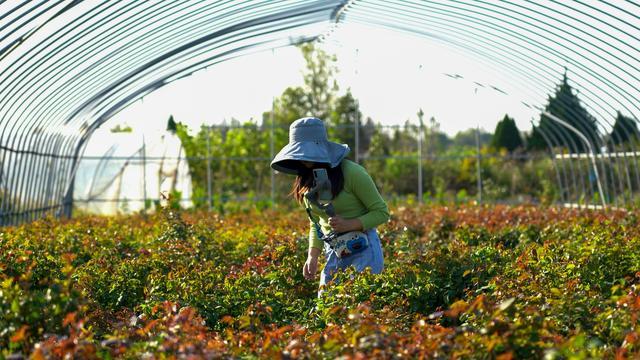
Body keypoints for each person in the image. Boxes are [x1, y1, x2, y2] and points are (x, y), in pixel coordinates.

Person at [270, 117, 390, 288]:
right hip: (333, 251)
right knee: (326, 308)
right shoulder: (306, 179)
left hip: (363, 248)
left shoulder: (353, 173)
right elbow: (316, 223)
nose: (303, 158)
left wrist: (349, 224)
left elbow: (382, 212)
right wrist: (312, 256)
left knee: (361, 308)